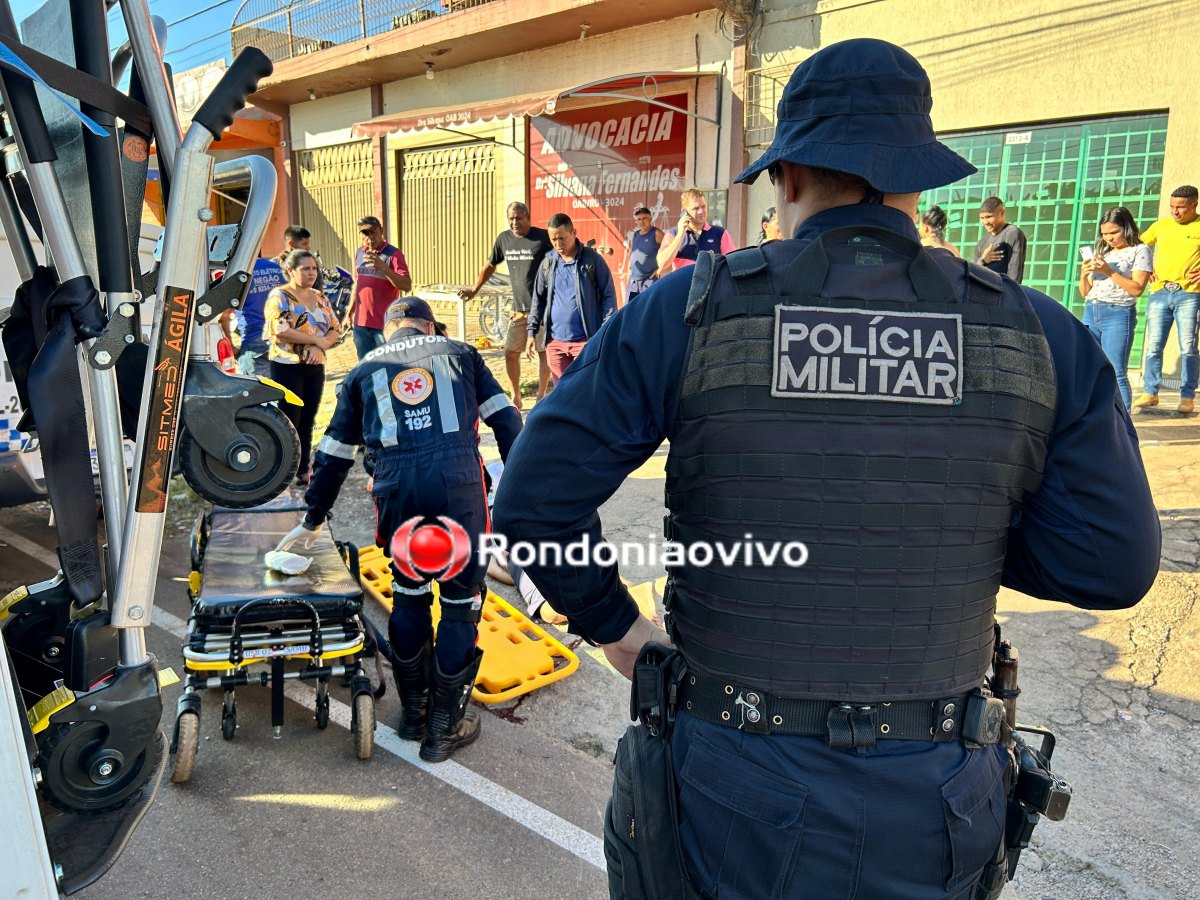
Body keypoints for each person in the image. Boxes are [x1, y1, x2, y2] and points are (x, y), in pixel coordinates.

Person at [493, 37, 1159, 898]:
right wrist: (957, 534)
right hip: (940, 798)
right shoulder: (1038, 335)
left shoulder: (688, 309)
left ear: (789, 177)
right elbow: (1113, 563)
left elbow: (534, 506)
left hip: (730, 782)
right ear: (915, 182)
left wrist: (621, 635)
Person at [278, 297, 522, 762]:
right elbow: (507, 422)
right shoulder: (461, 352)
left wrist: (313, 517)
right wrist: (524, 493)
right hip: (458, 490)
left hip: (397, 491)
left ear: (390, 330)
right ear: (429, 325)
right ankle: (442, 730)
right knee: (460, 604)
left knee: (409, 594)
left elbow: (332, 455)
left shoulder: (361, 370)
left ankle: (414, 714)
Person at [459, 202, 553, 411]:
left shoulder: (543, 237)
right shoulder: (504, 239)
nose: (514, 222)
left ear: (528, 218)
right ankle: (516, 396)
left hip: (543, 308)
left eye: (518, 218)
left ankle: (540, 395)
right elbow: (490, 265)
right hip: (518, 309)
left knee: (543, 352)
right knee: (510, 352)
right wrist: (474, 289)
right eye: (511, 218)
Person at [263, 250, 339, 485]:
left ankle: (303, 470)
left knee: (308, 420)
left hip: (314, 365)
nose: (312, 273)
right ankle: (281, 472)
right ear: (290, 271)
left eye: (314, 268)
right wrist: (315, 340)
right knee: (288, 420)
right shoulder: (280, 296)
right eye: (305, 268)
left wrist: (319, 346)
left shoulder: (320, 297)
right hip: (288, 365)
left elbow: (334, 328)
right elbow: (281, 329)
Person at [1131, 185, 1200, 414]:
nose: (1175, 212)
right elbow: (1137, 246)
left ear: (1194, 205)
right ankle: (1150, 393)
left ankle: (1187, 397)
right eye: (1172, 206)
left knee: (1188, 347)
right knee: (1153, 346)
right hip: (1159, 292)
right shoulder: (1161, 226)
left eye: (1180, 207)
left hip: (1189, 294)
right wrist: (1145, 266)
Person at [527, 212, 617, 381]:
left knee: (584, 389)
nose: (558, 244)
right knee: (561, 394)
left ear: (573, 233)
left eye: (562, 238)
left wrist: (605, 331)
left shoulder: (592, 260)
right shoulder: (548, 263)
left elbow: (608, 296)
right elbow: (537, 299)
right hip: (555, 344)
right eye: (553, 240)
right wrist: (531, 332)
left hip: (585, 342)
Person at [1078, 207, 1152, 409]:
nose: (1108, 238)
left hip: (1117, 313)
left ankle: (1124, 426)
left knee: (1116, 370)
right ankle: (1094, 417)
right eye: (1104, 233)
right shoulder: (1103, 252)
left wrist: (1109, 271)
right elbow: (1085, 292)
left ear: (1127, 228)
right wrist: (1084, 274)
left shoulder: (1140, 250)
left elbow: (1137, 289)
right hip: (1091, 311)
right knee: (1090, 367)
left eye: (1114, 232)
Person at [347, 215, 412, 359]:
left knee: (387, 365)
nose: (369, 237)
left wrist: (383, 267)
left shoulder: (393, 254)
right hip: (361, 325)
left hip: (384, 324)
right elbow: (357, 285)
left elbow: (406, 285)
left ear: (381, 231)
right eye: (365, 233)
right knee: (365, 366)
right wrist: (349, 312)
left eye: (373, 232)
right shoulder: (359, 253)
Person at [218, 254, 284, 378]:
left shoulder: (238, 275)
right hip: (284, 342)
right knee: (288, 394)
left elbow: (224, 316)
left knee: (261, 395)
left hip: (254, 344)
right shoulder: (278, 269)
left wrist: (232, 347)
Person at [655, 187, 736, 273]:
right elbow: (662, 264)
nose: (701, 211)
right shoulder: (673, 234)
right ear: (684, 211)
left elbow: (733, 263)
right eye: (696, 208)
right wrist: (679, 236)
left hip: (712, 285)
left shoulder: (720, 233)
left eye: (703, 207)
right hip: (683, 285)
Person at [974, 197, 1026, 282]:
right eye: (982, 218)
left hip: (1004, 292)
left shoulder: (1012, 233)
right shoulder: (981, 243)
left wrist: (1011, 294)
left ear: (1002, 213)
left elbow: (1015, 269)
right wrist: (983, 260)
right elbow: (974, 274)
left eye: (989, 217)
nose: (985, 222)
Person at [620, 206, 664, 303]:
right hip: (634, 281)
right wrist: (628, 274)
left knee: (648, 310)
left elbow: (670, 250)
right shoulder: (635, 235)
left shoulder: (657, 233)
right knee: (629, 310)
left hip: (649, 280)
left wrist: (660, 269)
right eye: (639, 219)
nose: (641, 221)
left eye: (644, 218)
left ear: (650, 219)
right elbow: (632, 255)